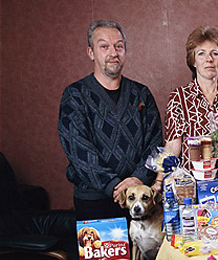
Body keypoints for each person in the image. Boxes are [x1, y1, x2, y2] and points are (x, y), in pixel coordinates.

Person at [58, 20, 163, 221]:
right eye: (104, 46)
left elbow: (155, 144)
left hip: (139, 199)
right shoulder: (75, 95)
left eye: (119, 46)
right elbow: (78, 149)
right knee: (103, 251)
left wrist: (138, 179)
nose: (113, 53)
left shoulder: (141, 93)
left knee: (142, 253)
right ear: (91, 53)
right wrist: (114, 185)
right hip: (94, 201)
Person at [165, 26, 218, 170]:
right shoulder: (179, 97)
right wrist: (159, 181)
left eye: (214, 53)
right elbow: (173, 146)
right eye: (201, 54)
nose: (209, 59)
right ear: (193, 61)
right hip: (192, 183)